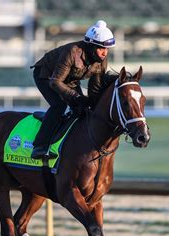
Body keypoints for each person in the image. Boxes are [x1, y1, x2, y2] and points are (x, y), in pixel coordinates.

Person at [30, 20, 116, 160]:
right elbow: (55, 82)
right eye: (101, 48)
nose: (104, 53)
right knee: (59, 105)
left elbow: (95, 87)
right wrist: (75, 96)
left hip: (69, 80)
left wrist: (92, 104)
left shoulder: (102, 59)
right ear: (90, 45)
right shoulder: (72, 51)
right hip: (46, 76)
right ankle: (40, 147)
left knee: (83, 109)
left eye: (107, 49)